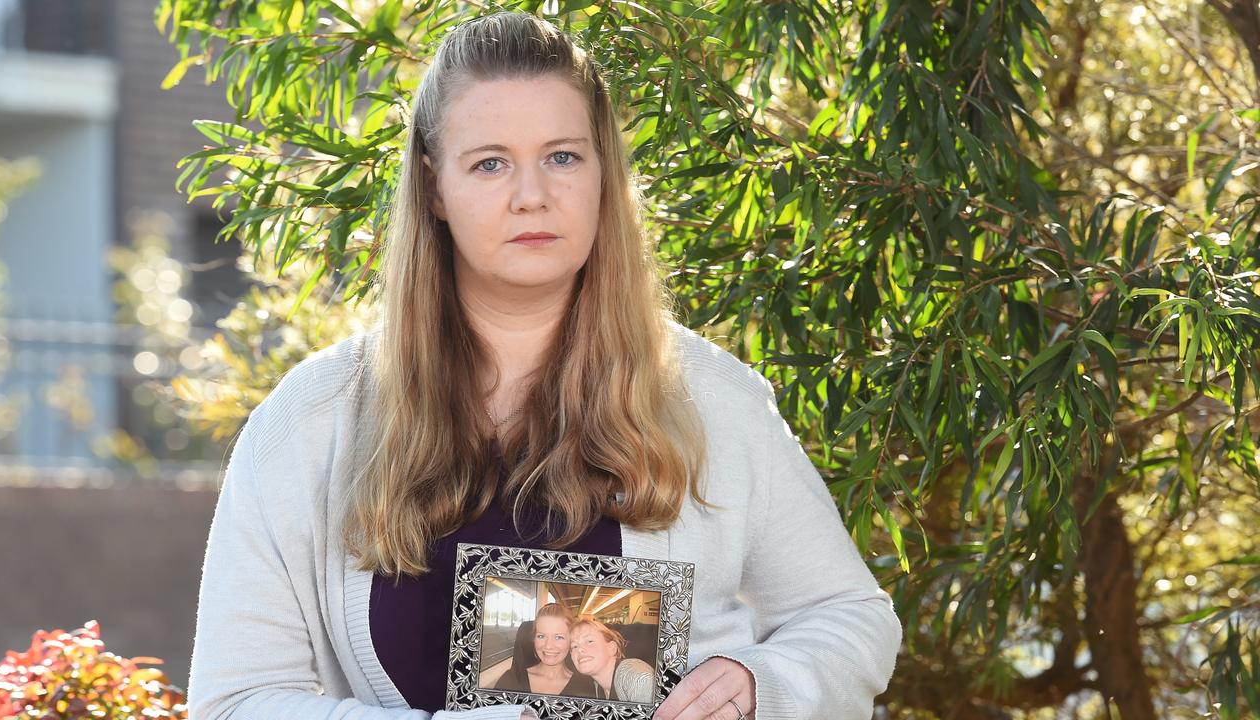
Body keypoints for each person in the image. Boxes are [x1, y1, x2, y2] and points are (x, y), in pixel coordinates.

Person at [186, 10, 901, 720]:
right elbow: (234, 701)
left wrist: (758, 684)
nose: (533, 194)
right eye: (490, 163)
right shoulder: (311, 423)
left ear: (602, 174)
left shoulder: (713, 400)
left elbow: (850, 618)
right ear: (434, 188)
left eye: (562, 156)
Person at [492, 604, 597, 697]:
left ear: (571, 641)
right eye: (541, 636)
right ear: (534, 639)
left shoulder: (586, 686)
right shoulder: (511, 681)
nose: (548, 646)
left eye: (559, 637)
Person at [568, 618, 656, 703]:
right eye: (574, 646)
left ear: (612, 648)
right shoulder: (598, 686)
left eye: (590, 641)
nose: (579, 649)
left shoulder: (633, 675)